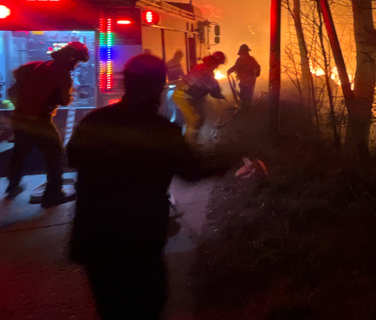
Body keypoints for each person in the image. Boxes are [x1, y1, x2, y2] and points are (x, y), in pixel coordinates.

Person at [67, 54, 229, 320]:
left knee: (110, 307)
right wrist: (234, 157)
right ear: (158, 87)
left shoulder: (94, 121)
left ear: (126, 84)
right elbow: (192, 172)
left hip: (95, 236)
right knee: (147, 304)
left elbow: (73, 158)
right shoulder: (162, 131)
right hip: (139, 237)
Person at [4, 41, 89, 207]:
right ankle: (53, 195)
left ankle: (12, 187)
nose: (76, 64)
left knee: (19, 153)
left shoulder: (35, 65)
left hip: (20, 118)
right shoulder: (62, 74)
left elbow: (13, 85)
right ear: (71, 58)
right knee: (55, 156)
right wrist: (71, 94)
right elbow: (65, 101)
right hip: (40, 122)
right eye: (77, 60)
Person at [172, 51, 226, 144]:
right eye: (218, 64)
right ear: (214, 62)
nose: (218, 67)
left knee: (200, 117)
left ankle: (192, 141)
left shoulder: (202, 67)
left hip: (186, 96)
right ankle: (189, 145)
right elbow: (213, 88)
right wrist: (219, 95)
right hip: (183, 96)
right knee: (195, 120)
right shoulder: (205, 71)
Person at [227, 44, 261, 109]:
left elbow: (257, 67)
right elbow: (236, 67)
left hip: (250, 80)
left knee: (248, 93)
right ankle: (244, 107)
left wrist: (256, 74)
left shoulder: (251, 60)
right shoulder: (239, 60)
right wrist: (230, 70)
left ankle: (246, 107)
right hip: (243, 80)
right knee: (242, 93)